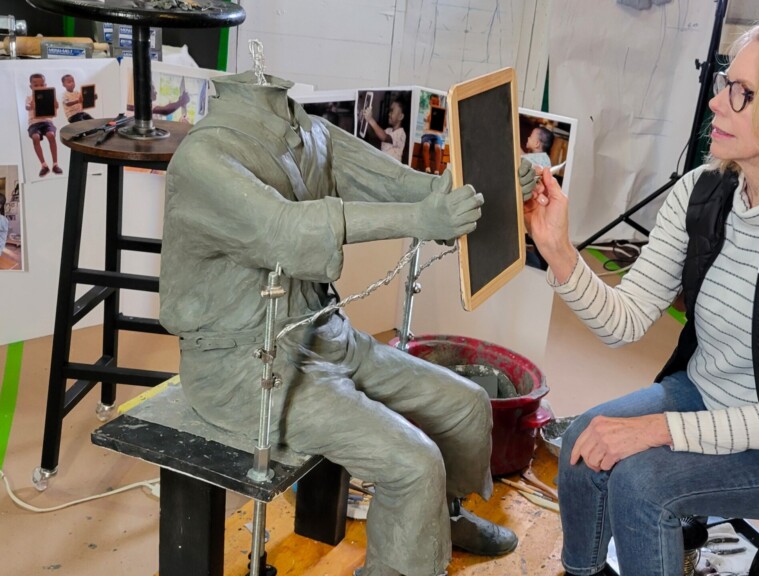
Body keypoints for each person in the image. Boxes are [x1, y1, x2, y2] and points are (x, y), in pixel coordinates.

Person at [523, 18, 759, 576]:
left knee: (642, 486)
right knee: (581, 445)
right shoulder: (703, 191)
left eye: (741, 94)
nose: (717, 103)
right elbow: (623, 322)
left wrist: (652, 431)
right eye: (726, 82)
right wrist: (559, 253)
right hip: (704, 394)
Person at [161, 70, 537, 576]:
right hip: (240, 365)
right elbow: (286, 229)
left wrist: (489, 185)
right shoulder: (203, 159)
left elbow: (409, 187)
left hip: (323, 333)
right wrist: (421, 220)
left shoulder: (310, 132)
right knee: (413, 462)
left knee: (466, 404)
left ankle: (444, 519)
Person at [25, 73, 62, 177]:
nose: (39, 87)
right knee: (35, 137)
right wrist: (31, 106)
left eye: (41, 85)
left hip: (46, 121)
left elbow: (55, 107)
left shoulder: (48, 96)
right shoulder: (29, 98)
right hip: (34, 123)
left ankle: (55, 164)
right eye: (36, 85)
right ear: (31, 87)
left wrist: (55, 103)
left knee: (51, 135)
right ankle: (43, 165)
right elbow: (27, 106)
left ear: (45, 85)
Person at [363, 99, 408, 163]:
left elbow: (384, 137)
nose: (389, 114)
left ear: (400, 116)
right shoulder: (388, 130)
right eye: (390, 111)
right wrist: (365, 120)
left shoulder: (401, 133)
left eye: (392, 111)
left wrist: (370, 119)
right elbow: (373, 134)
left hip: (392, 168)